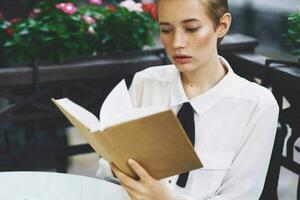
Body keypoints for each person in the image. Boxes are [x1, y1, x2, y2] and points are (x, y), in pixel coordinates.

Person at [96, 0, 279, 199]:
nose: (177, 43)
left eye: (191, 29)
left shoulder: (258, 106)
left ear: (222, 25)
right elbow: (105, 171)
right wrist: (118, 167)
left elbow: (241, 196)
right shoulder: (145, 83)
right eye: (166, 30)